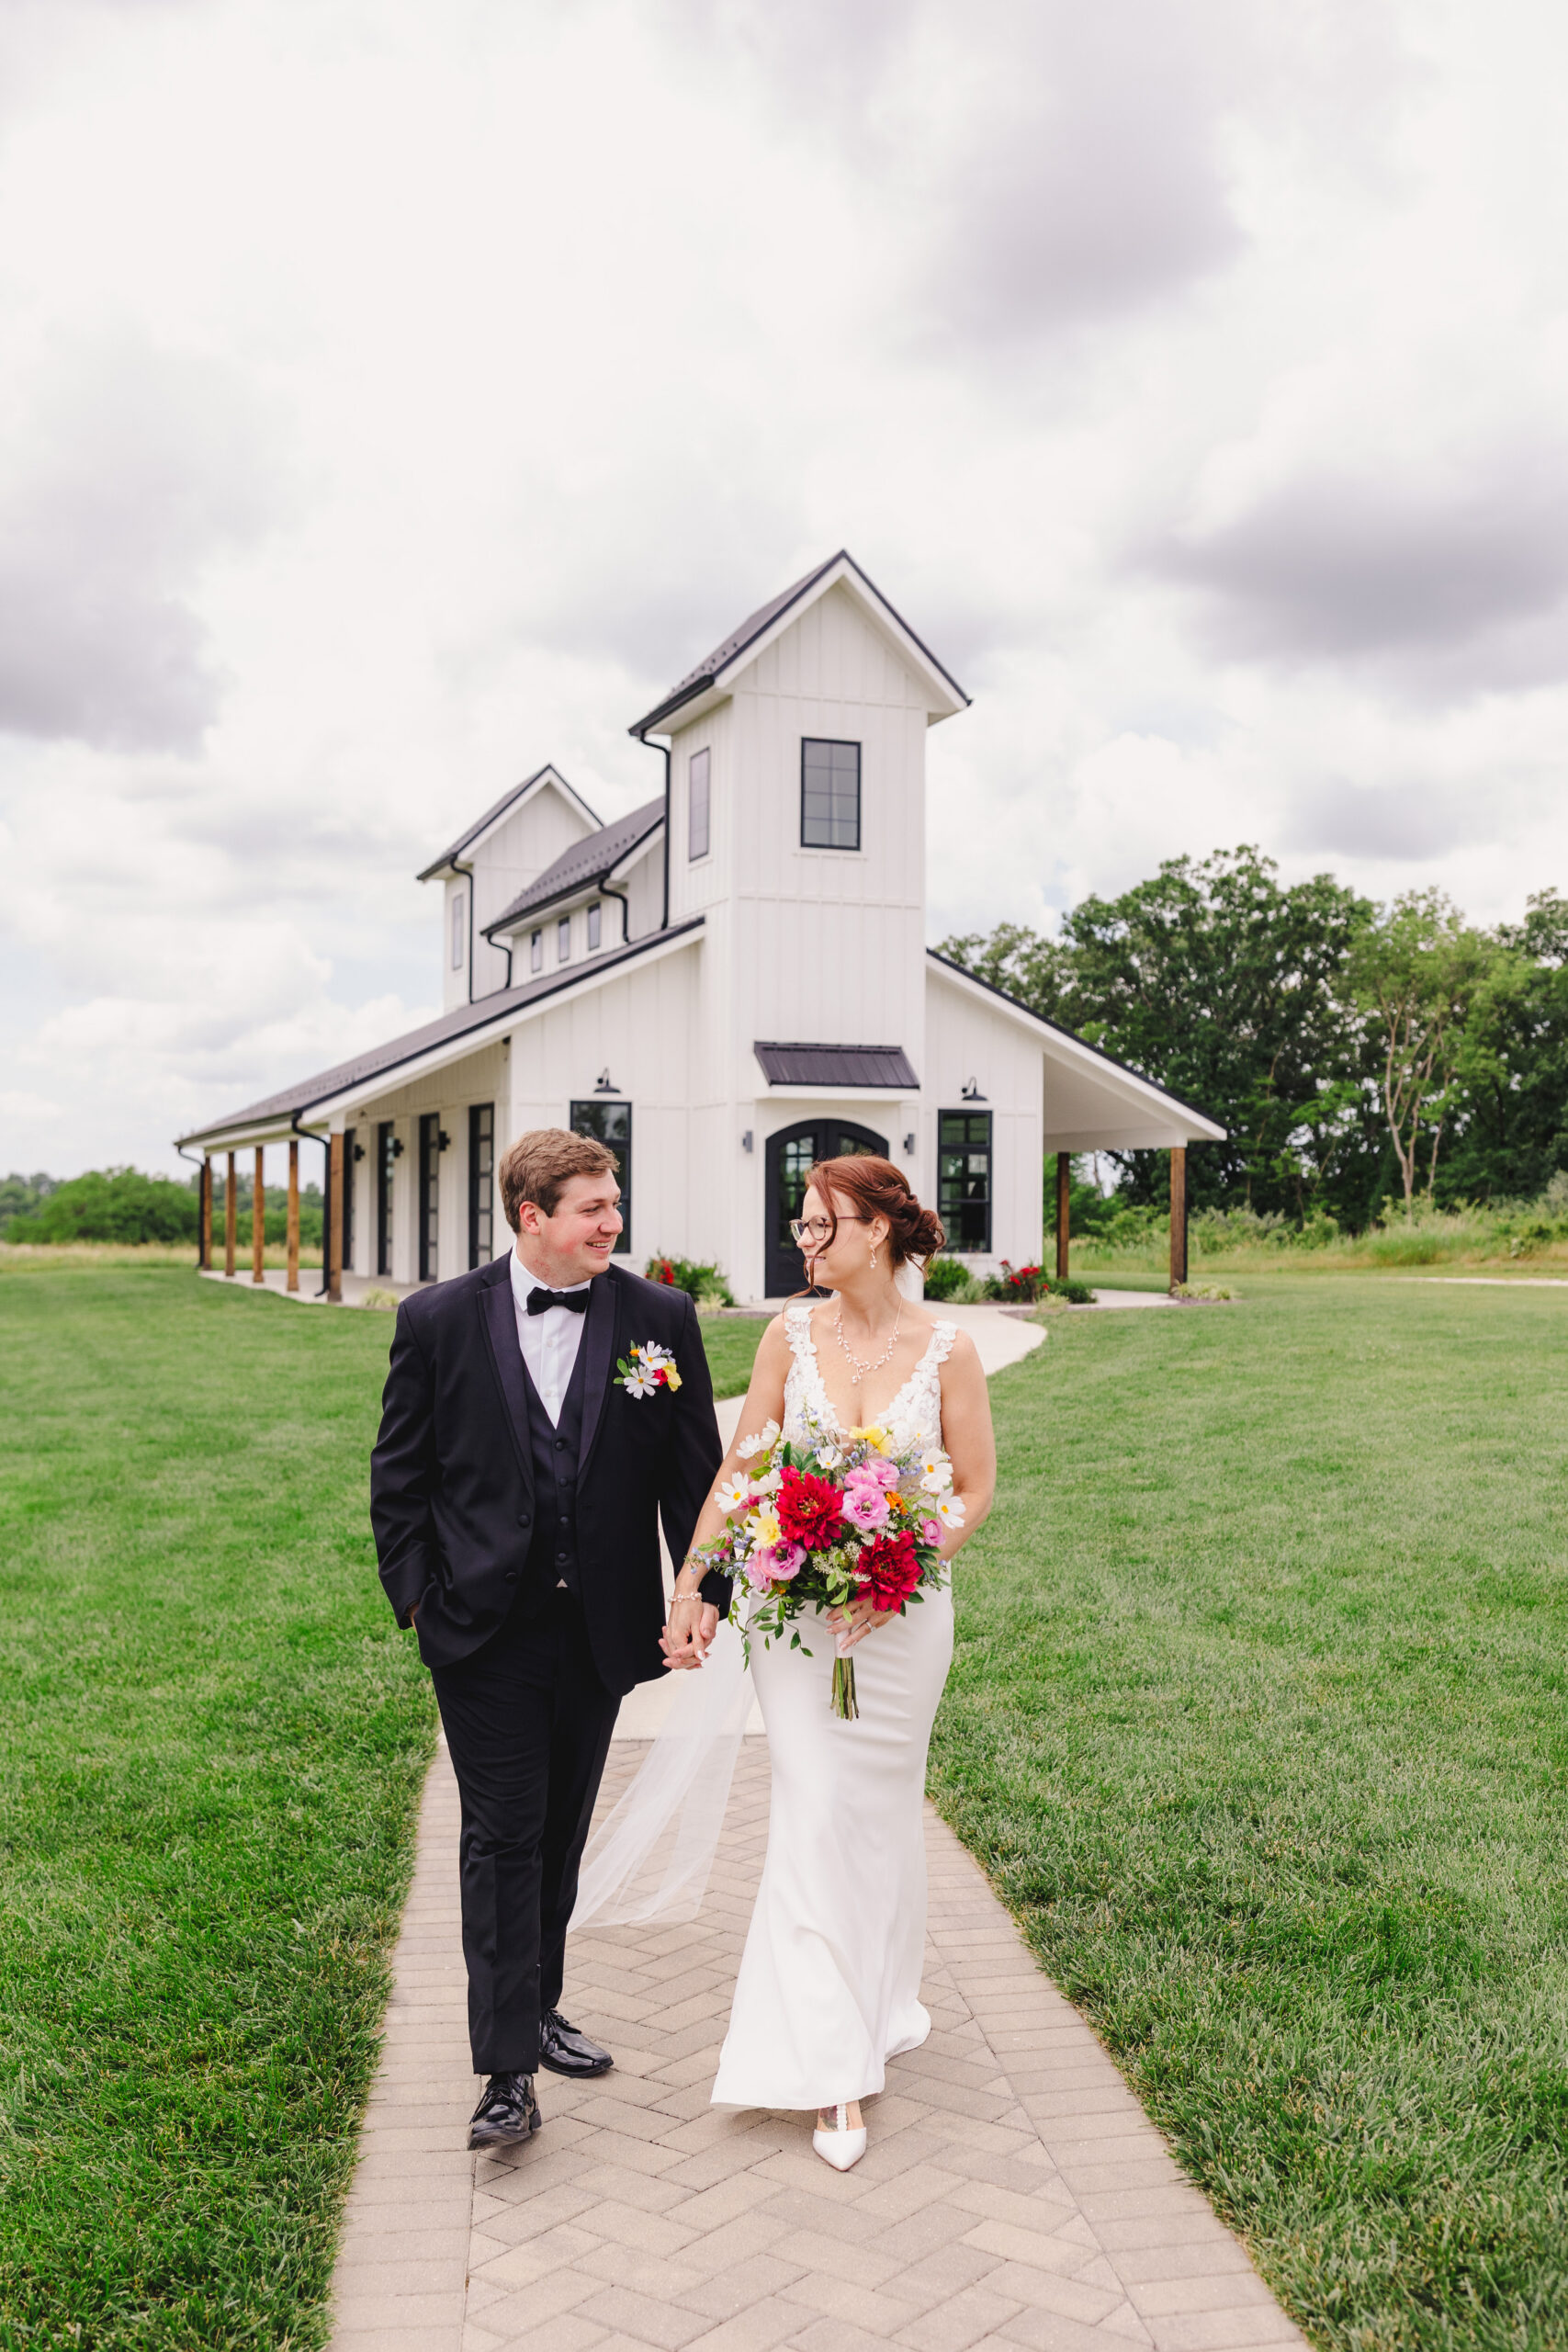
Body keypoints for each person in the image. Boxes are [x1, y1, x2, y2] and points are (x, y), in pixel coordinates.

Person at [369, 1127, 726, 2149]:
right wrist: (416, 1600)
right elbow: (401, 1474)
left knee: (559, 1829)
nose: (615, 1223)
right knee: (501, 1833)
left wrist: (704, 1590)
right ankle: (505, 2072)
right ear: (532, 1216)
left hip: (600, 1627)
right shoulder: (438, 1319)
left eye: (616, 1204)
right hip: (481, 1628)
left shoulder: (660, 1317)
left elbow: (693, 1477)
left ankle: (539, 2004)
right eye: (594, 1209)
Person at [663, 1155, 996, 2171]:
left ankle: (883, 1999)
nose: (805, 1242)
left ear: (883, 1230)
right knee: (813, 1807)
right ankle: (826, 2067)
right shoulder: (786, 1335)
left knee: (879, 1814)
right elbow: (743, 1464)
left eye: (823, 1225)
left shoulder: (950, 1350)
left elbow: (974, 1490)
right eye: (799, 1226)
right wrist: (692, 1585)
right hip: (794, 1625)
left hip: (902, 1624)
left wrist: (897, 1567)